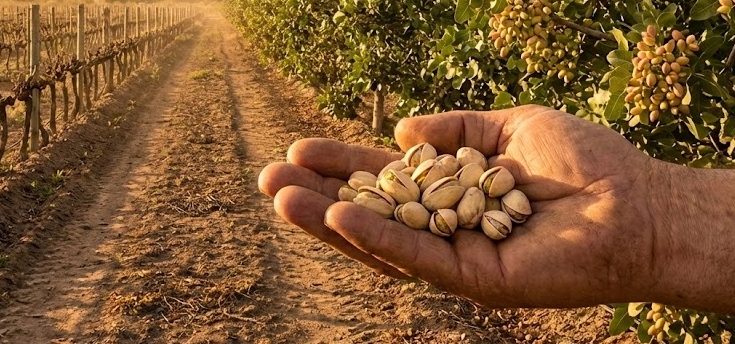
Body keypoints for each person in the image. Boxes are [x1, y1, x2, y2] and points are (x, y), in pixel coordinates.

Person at [258, 105, 735, 314]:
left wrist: (649, 210)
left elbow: (464, 189)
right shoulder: (444, 188)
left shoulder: (482, 189)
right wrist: (651, 214)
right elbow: (449, 191)